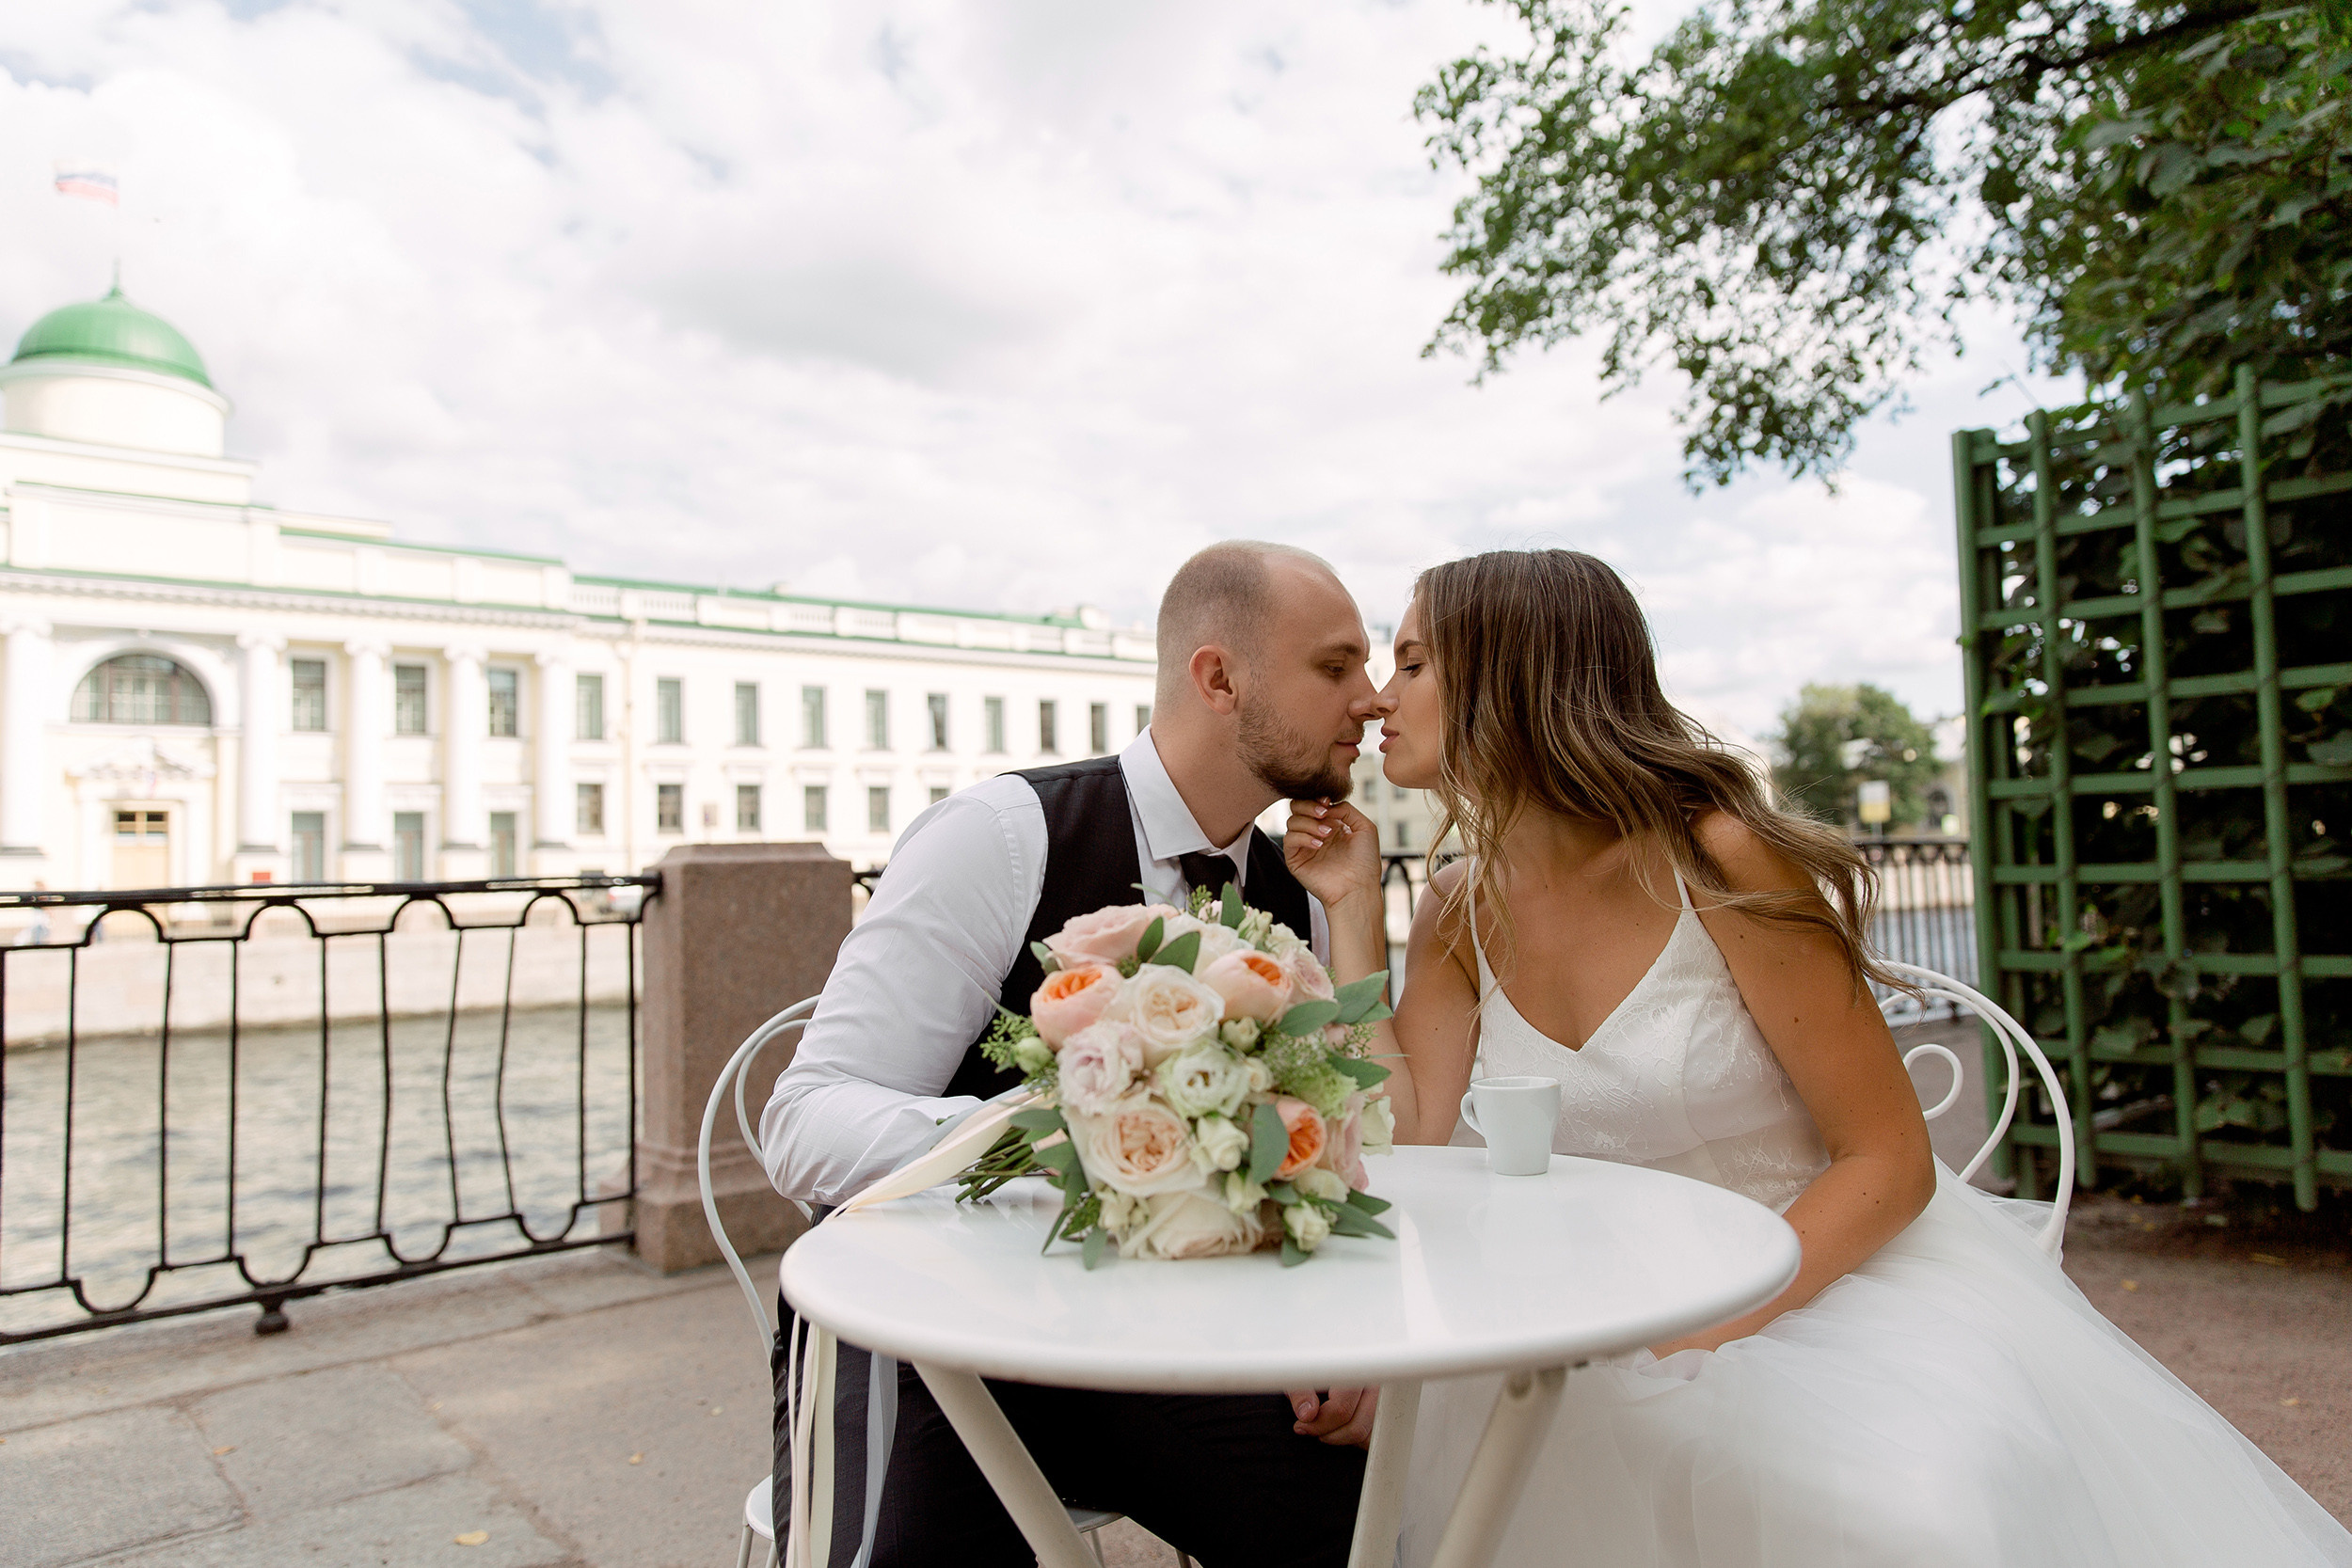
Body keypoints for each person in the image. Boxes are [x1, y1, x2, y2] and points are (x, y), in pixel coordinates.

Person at [1283, 548, 2352, 1568]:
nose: (1379, 696)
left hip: (1812, 1282)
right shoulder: (1460, 901)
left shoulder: (1718, 856)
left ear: (1514, 678)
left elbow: (1888, 1157)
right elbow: (1414, 1136)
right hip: (1587, 1300)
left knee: (1889, 1510)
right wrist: (1351, 917)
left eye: (1413, 661)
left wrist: (1695, 1333)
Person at [761, 541, 1383, 1567]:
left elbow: (1316, 1149)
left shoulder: (1295, 894)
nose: (1366, 700)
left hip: (1164, 1338)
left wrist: (1342, 1333)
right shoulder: (1004, 834)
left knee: (1376, 1518)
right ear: (1219, 678)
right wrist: (1046, 1137)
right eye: (1334, 666)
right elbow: (805, 1120)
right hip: (935, 1324)